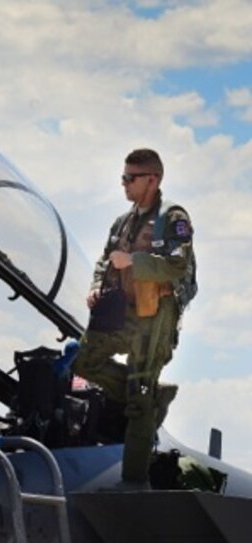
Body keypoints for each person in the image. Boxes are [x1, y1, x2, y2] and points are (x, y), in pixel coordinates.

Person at [72, 148, 196, 484]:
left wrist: (134, 263)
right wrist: (97, 286)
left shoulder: (173, 218)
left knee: (139, 401)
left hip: (153, 315)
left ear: (152, 180)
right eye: (123, 176)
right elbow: (104, 259)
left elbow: (177, 264)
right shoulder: (123, 221)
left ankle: (133, 483)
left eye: (130, 177)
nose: (123, 183)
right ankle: (152, 393)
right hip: (118, 311)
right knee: (84, 362)